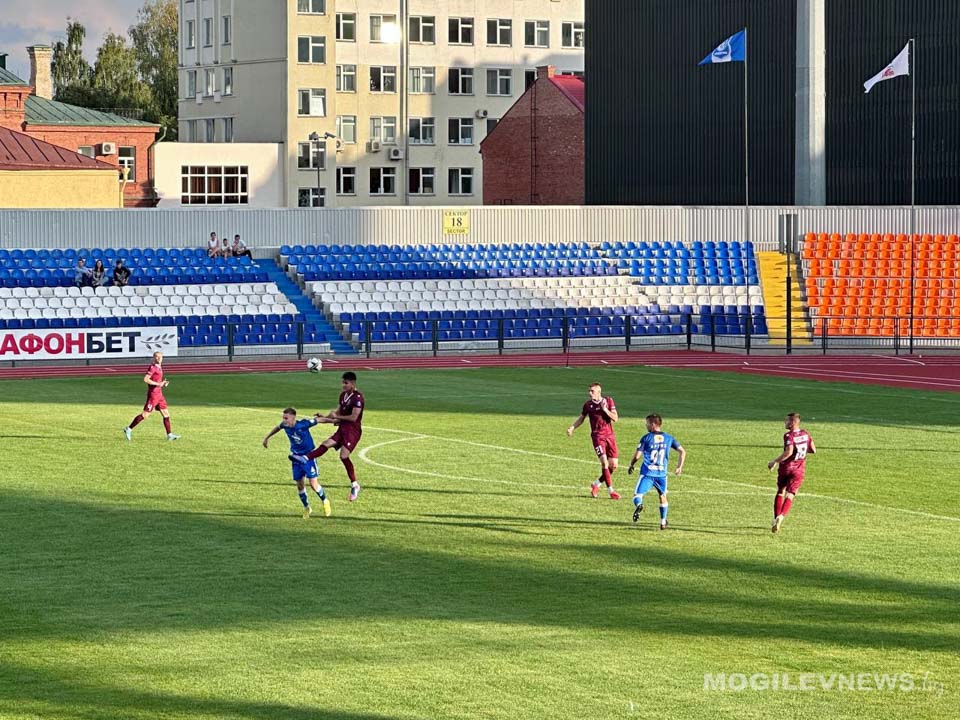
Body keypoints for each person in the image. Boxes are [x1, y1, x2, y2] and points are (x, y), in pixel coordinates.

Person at [289, 371, 364, 502]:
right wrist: (324, 417)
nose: (343, 385)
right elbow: (336, 413)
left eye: (346, 383)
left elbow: (354, 417)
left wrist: (337, 417)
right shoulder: (343, 395)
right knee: (326, 443)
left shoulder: (358, 398)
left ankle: (354, 485)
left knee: (343, 456)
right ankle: (305, 458)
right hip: (342, 428)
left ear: (352, 383)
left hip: (353, 431)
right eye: (343, 382)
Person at [263, 407, 331, 519]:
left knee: (313, 484)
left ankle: (325, 501)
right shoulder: (285, 425)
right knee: (299, 485)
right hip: (296, 458)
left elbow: (319, 420)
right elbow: (277, 427)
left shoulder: (303, 424)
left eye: (286, 418)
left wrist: (335, 421)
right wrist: (267, 438)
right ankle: (307, 507)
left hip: (308, 457)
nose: (284, 420)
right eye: (283, 418)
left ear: (293, 417)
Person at [628, 414, 686, 530]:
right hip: (662, 474)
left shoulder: (646, 438)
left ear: (653, 424)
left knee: (637, 495)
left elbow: (638, 456)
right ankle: (663, 522)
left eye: (647, 423)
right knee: (662, 496)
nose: (646, 425)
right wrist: (679, 467)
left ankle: (639, 505)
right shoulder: (669, 438)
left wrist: (632, 464)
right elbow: (682, 451)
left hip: (648, 474)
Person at [566, 383, 621, 500]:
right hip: (597, 437)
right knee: (605, 463)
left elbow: (615, 418)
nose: (590, 393)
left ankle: (596, 484)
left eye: (592, 391)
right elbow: (581, 418)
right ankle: (611, 491)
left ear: (599, 392)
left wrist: (604, 409)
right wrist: (572, 427)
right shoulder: (588, 405)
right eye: (589, 391)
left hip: (610, 436)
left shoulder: (608, 401)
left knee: (613, 466)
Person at [768, 413, 816, 534]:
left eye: (787, 421)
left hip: (786, 468)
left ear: (793, 422)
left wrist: (775, 461)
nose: (785, 423)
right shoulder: (805, 434)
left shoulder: (788, 435)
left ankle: (776, 518)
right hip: (799, 469)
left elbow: (789, 452)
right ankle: (781, 516)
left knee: (780, 491)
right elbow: (813, 450)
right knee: (791, 494)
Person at [124, 351, 180, 441]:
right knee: (145, 415)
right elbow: (146, 379)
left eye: (160, 357)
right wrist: (158, 384)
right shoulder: (153, 367)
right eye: (157, 357)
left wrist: (163, 383)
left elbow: (157, 381)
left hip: (159, 395)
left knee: (166, 414)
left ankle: (169, 435)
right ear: (154, 358)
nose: (159, 358)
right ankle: (129, 429)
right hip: (153, 395)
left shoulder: (159, 367)